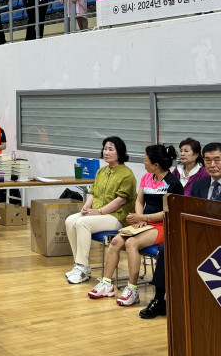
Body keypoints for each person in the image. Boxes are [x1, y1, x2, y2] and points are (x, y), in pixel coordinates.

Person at [88, 144, 183, 307]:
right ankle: (106, 284)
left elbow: (169, 212)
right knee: (115, 242)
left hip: (164, 225)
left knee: (131, 243)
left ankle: (132, 289)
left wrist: (144, 217)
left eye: (145, 160)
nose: (143, 163)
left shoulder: (173, 184)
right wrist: (139, 218)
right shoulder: (147, 177)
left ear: (156, 165)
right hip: (144, 222)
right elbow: (139, 201)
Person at [141, 143, 221, 319]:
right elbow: (192, 213)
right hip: (199, 236)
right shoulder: (200, 185)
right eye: (208, 160)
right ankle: (159, 299)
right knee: (167, 248)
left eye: (217, 160)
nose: (212, 165)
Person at [65, 136, 136, 284]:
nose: (106, 152)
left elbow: (121, 200)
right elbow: (92, 192)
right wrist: (86, 206)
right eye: (105, 149)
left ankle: (82, 268)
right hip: (98, 213)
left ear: (120, 152)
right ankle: (80, 265)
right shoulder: (101, 171)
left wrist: (100, 211)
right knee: (70, 221)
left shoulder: (127, 174)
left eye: (110, 149)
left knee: (83, 223)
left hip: (117, 216)